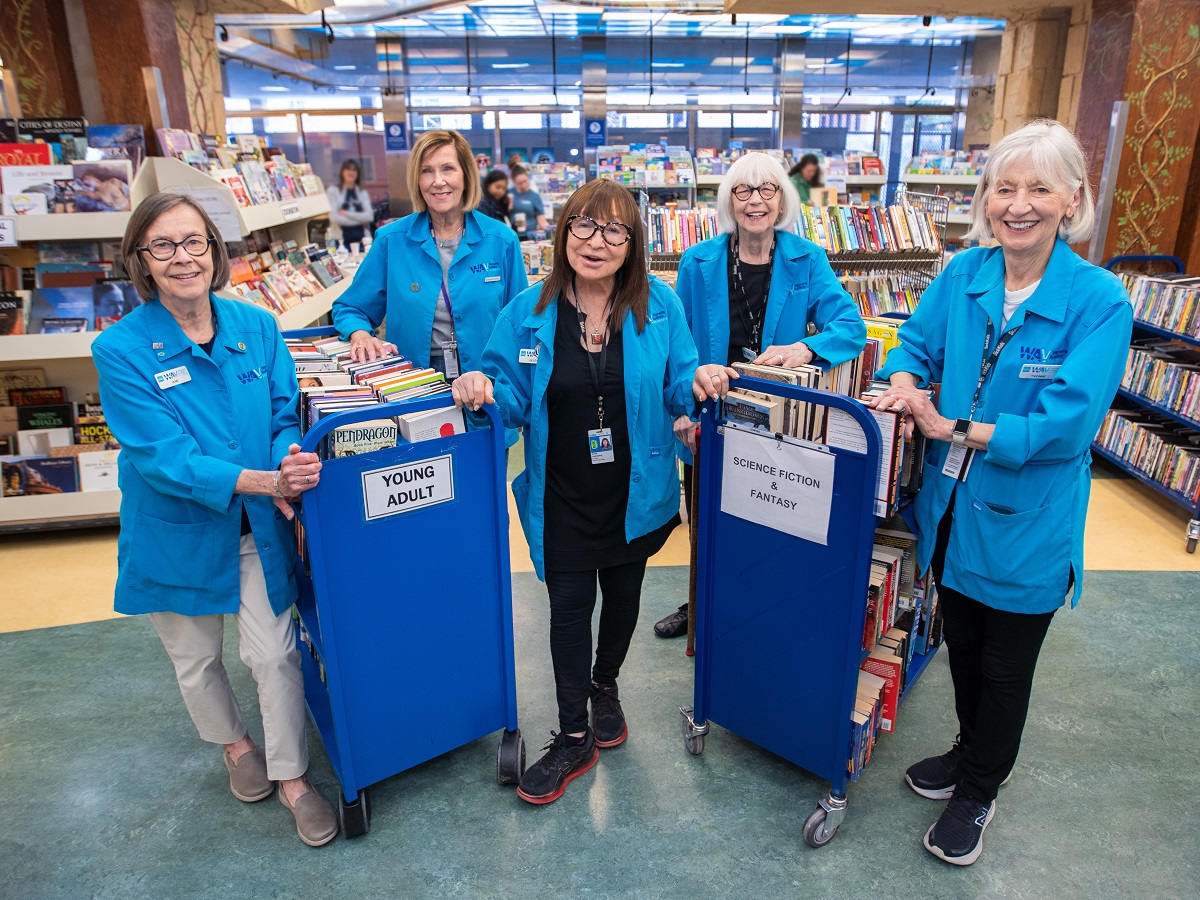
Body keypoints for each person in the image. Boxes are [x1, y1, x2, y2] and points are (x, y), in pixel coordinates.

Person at [865, 119, 1133, 866]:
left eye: (1039, 188)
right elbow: (913, 345)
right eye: (1005, 188)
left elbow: (1064, 425)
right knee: (962, 644)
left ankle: (979, 791)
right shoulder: (964, 274)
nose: (1019, 205)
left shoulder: (1098, 300)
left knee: (1007, 665)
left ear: (1071, 199)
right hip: (950, 508)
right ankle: (964, 750)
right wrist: (907, 383)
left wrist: (945, 424)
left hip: (1028, 520)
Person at [91, 193, 338, 847]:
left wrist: (289, 452)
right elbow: (163, 457)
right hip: (177, 532)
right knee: (197, 660)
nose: (182, 258)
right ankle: (234, 746)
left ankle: (292, 779)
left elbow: (286, 407)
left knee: (275, 653)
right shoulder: (120, 350)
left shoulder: (256, 327)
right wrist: (262, 479)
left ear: (215, 249)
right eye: (163, 246)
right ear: (141, 261)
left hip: (258, 526)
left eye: (194, 241)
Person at [451, 179, 699, 805]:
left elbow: (680, 382)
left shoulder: (659, 306)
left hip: (635, 492)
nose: (596, 242)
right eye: (583, 226)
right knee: (567, 611)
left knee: (622, 599)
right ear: (562, 234)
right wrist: (481, 389)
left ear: (632, 243)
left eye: (614, 230)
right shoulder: (527, 313)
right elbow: (507, 395)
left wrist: (700, 388)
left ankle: (606, 685)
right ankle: (573, 732)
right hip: (560, 493)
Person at [653, 151, 866, 639]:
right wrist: (682, 411)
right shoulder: (698, 262)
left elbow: (850, 326)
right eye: (744, 191)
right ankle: (701, 602)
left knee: (768, 517)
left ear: (782, 198)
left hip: (779, 420)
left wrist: (804, 348)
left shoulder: (806, 258)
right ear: (730, 200)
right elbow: (675, 344)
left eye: (767, 189)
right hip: (710, 414)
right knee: (706, 520)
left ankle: (759, 607)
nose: (755, 201)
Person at [332, 129, 528, 448]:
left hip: (484, 395)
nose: (438, 181)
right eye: (427, 170)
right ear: (417, 180)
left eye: (448, 168)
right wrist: (360, 334)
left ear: (466, 174)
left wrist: (512, 394)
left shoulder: (501, 241)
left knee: (482, 492)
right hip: (413, 395)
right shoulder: (391, 241)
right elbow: (350, 308)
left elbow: (521, 327)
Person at [325, 159, 374, 248]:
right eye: (348, 169)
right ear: (342, 172)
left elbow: (369, 216)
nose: (351, 172)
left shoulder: (362, 192)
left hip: (362, 242)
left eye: (354, 170)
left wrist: (347, 214)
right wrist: (360, 220)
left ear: (357, 173)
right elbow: (334, 218)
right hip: (341, 244)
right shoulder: (333, 191)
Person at [508, 166, 548, 239]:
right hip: (512, 235)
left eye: (525, 181)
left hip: (530, 236)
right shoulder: (508, 194)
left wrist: (551, 230)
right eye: (519, 183)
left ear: (528, 178)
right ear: (514, 182)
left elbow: (541, 220)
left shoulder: (535, 196)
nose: (523, 185)